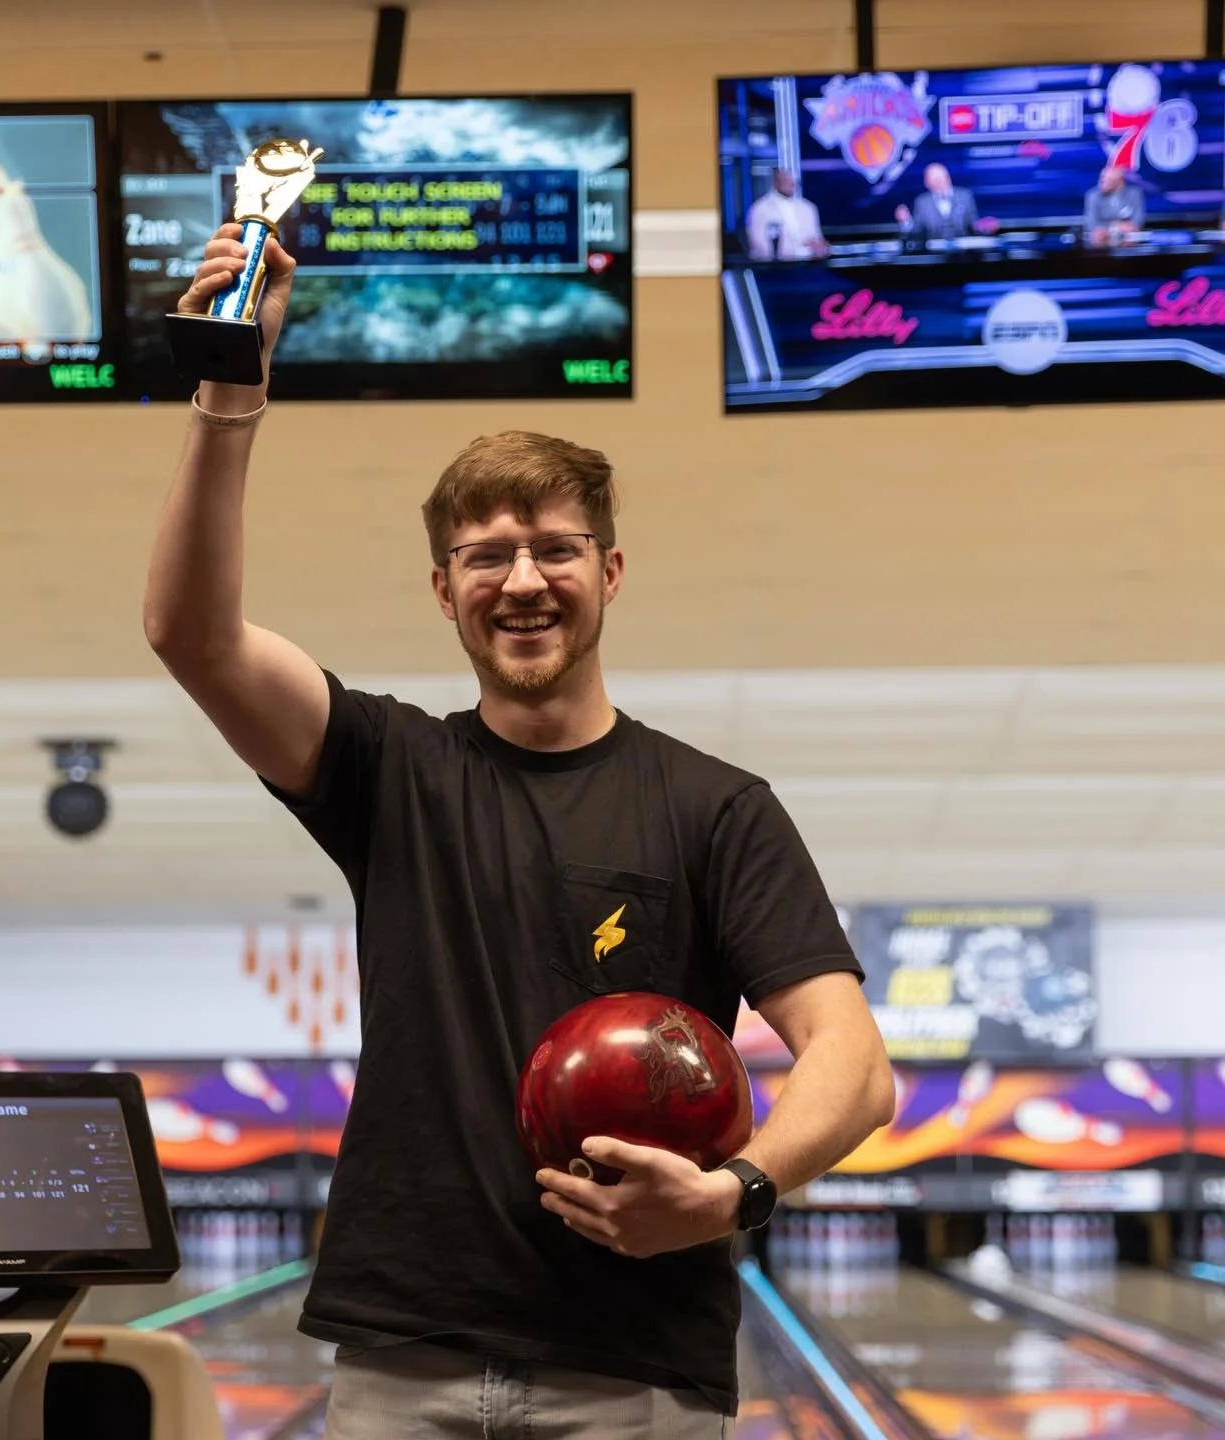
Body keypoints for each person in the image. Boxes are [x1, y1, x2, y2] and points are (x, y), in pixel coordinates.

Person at [144, 225, 897, 1440]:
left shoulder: (715, 807)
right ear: (445, 591)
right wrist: (231, 388)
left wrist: (728, 1195)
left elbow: (855, 1069)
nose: (523, 580)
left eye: (553, 549)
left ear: (609, 570)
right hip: (404, 1360)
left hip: (635, 1372)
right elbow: (191, 632)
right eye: (485, 556)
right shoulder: (390, 769)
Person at [895, 162, 998, 241]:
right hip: (933, 256)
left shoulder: (965, 196)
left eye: (942, 179)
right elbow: (916, 233)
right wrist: (906, 222)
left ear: (948, 178)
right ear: (927, 184)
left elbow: (973, 226)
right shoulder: (922, 202)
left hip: (963, 255)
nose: (941, 184)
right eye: (935, 181)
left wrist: (984, 226)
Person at [745, 168, 829, 261]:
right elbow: (760, 247)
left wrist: (819, 246)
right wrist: (795, 252)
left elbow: (816, 238)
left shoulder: (808, 207)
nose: (790, 183)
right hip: (772, 268)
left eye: (792, 180)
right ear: (775, 182)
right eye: (785, 180)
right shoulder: (760, 209)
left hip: (808, 265)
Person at [1083, 165, 1145, 248]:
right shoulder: (1093, 195)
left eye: (1107, 180)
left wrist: (1130, 227)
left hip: (1128, 242)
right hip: (1101, 243)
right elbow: (1091, 223)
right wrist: (1116, 227)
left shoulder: (1134, 194)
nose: (1101, 183)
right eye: (1102, 179)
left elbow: (1138, 220)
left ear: (1119, 181)